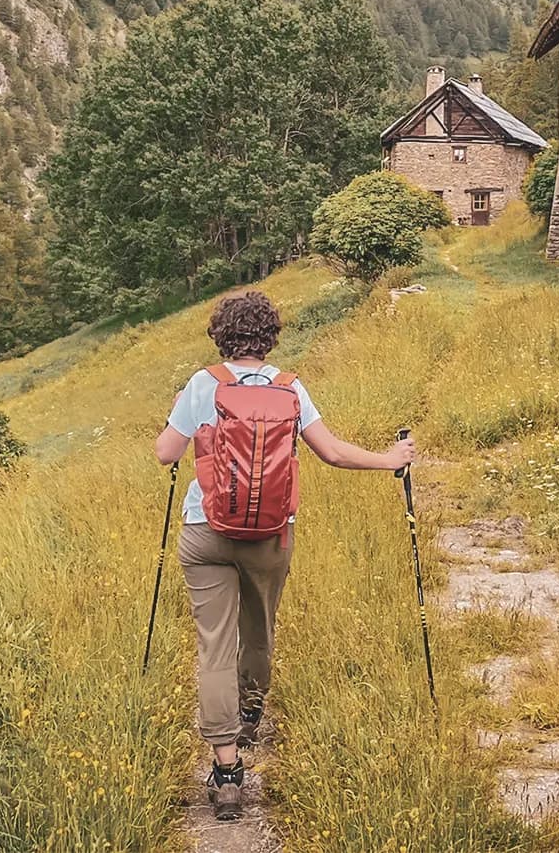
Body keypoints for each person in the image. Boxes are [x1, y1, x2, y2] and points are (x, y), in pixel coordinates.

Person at [154, 290, 413, 822]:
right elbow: (334, 453)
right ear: (270, 337)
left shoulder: (204, 383)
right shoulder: (289, 388)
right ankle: (251, 706)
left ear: (221, 336)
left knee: (213, 648)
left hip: (204, 533)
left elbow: (165, 453)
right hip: (271, 536)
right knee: (259, 629)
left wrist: (184, 426)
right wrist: (391, 459)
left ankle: (227, 772)